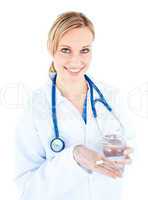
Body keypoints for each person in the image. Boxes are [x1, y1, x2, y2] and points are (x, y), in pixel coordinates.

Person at [15, 11, 133, 200]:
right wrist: (75, 157)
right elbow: (26, 189)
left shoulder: (111, 97)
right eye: (65, 50)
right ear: (51, 49)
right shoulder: (35, 108)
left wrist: (125, 154)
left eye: (84, 50)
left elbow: (130, 149)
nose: (76, 61)